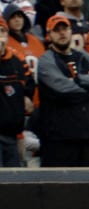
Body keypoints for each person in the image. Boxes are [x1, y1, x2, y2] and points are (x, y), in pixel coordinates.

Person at [36, 14, 89, 167]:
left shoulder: (83, 56)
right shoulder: (45, 61)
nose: (62, 33)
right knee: (60, 187)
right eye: (56, 30)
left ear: (71, 31)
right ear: (49, 35)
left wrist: (77, 80)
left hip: (88, 133)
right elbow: (62, 89)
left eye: (65, 29)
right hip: (59, 136)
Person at [0, 20, 35, 168]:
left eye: (2, 31)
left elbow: (29, 86)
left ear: (7, 35)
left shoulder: (18, 62)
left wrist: (20, 136)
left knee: (13, 185)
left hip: (12, 136)